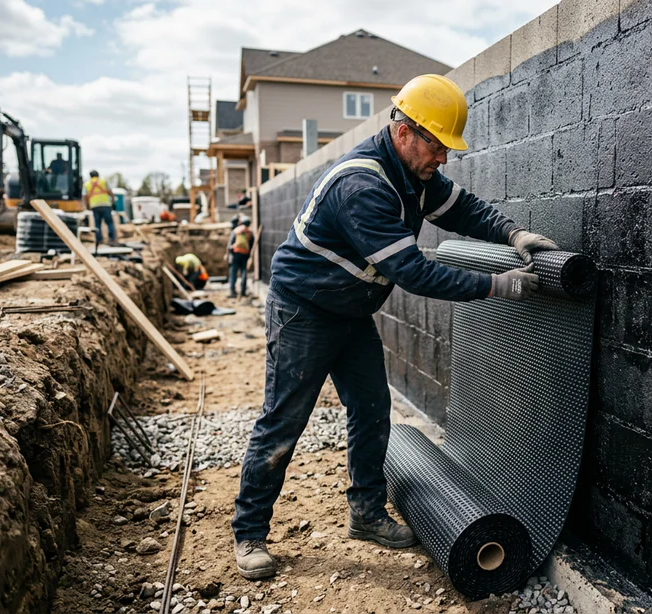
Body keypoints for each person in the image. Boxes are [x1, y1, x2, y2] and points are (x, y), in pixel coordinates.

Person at [231, 74, 558, 580]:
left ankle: (365, 513)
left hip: (349, 312)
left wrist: (513, 233)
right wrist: (500, 286)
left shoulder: (415, 175)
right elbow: (413, 272)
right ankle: (249, 531)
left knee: (371, 406)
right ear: (405, 132)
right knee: (284, 419)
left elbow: (463, 210)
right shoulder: (363, 185)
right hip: (304, 311)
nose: (443, 158)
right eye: (437, 145)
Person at [84, 170, 116, 244]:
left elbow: (85, 196)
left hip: (95, 206)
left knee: (97, 223)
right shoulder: (103, 181)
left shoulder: (87, 184)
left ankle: (99, 240)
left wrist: (87, 205)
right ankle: (112, 239)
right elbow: (110, 192)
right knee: (109, 222)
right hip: (105, 205)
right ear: (98, 175)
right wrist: (113, 201)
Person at [227, 216, 253, 299]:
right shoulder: (249, 232)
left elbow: (230, 243)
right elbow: (251, 245)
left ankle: (232, 291)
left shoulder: (236, 231)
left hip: (235, 254)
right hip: (245, 255)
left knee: (233, 272)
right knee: (243, 272)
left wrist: (229, 254)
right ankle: (243, 291)